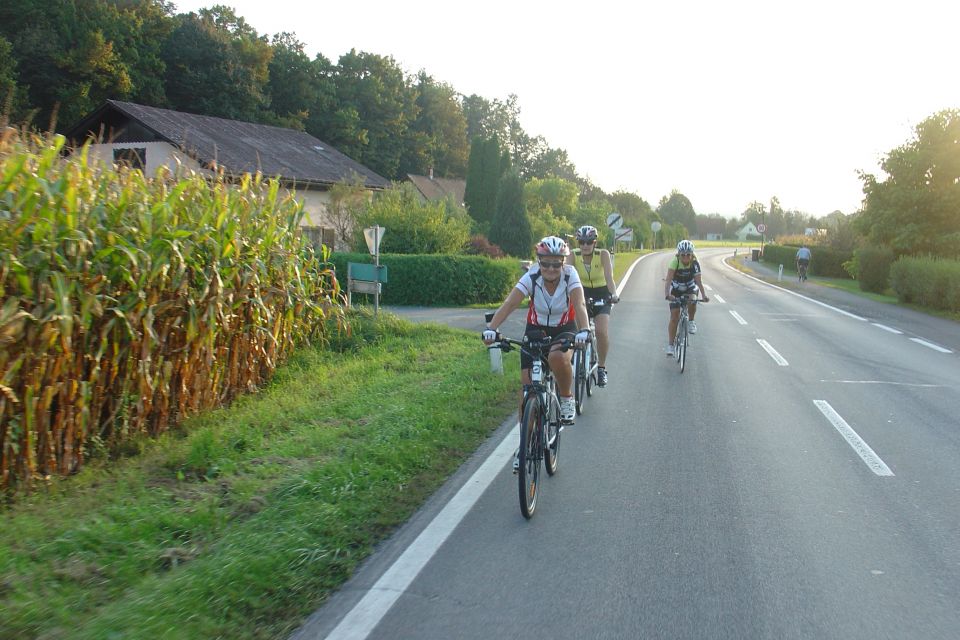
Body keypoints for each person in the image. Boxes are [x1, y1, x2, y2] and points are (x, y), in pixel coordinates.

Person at [482, 236, 591, 426]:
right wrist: (491, 329)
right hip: (535, 329)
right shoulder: (531, 276)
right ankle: (525, 448)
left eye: (556, 264)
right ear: (539, 261)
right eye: (546, 263)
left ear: (563, 263)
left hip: (563, 328)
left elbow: (579, 303)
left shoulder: (570, 274)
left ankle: (566, 398)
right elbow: (510, 304)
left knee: (557, 357)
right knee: (527, 390)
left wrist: (585, 330)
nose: (550, 269)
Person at [568, 225, 619, 386]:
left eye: (589, 242)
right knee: (575, 332)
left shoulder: (602, 254)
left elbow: (609, 277)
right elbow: (566, 275)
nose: (585, 245)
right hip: (581, 293)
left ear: (594, 242)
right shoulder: (573, 255)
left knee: (601, 331)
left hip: (601, 294)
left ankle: (602, 368)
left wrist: (614, 294)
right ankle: (575, 361)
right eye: (581, 242)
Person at [664, 239, 709, 356]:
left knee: (693, 299)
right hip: (676, 287)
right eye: (682, 254)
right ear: (679, 254)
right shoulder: (674, 262)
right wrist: (667, 294)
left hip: (690, 285)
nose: (685, 257)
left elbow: (698, 281)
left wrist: (704, 295)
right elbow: (668, 280)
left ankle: (691, 321)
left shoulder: (694, 263)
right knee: (674, 317)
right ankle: (670, 345)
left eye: (688, 254)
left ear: (692, 254)